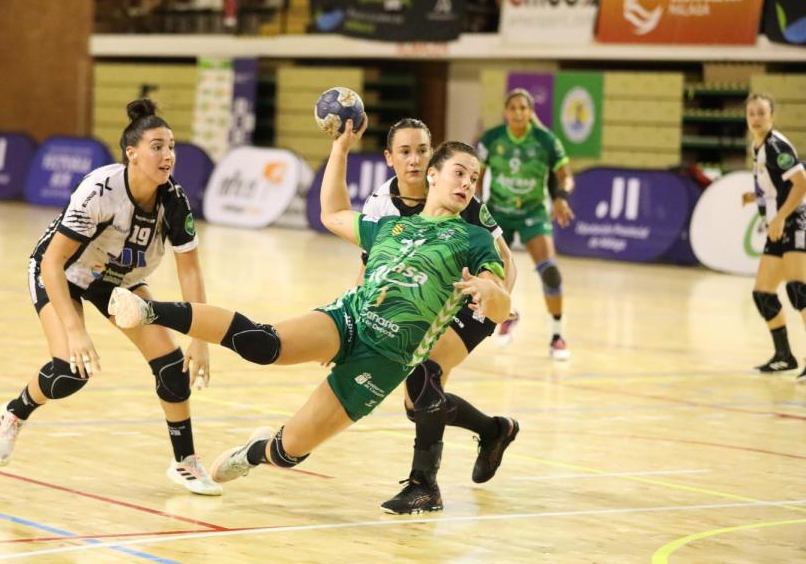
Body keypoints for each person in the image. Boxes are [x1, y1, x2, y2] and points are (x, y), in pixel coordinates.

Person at [109, 116, 513, 502]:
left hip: (387, 356)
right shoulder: (389, 220)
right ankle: (149, 311)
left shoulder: (474, 237)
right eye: (459, 172)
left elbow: (499, 298)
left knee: (290, 450)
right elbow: (333, 215)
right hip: (352, 317)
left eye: (474, 177)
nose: (467, 182)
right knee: (263, 344)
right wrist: (340, 148)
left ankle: (254, 452)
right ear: (432, 174)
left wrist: (490, 293)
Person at [0, 98, 223, 495]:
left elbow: (191, 271)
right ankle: (14, 412)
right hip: (63, 271)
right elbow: (52, 263)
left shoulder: (175, 201)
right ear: (132, 153)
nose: (168, 155)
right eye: (157, 146)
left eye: (171, 146)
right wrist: (75, 330)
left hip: (119, 279)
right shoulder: (100, 191)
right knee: (70, 370)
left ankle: (184, 462)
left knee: (172, 366)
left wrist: (200, 338)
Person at [361, 118, 520, 514]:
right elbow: (371, 268)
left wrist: (495, 300)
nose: (414, 160)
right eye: (405, 152)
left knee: (424, 370)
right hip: (425, 300)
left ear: (433, 163)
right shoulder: (380, 204)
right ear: (390, 158)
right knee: (417, 404)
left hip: (472, 299)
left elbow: (505, 259)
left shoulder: (461, 196)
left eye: (422, 151)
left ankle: (424, 486)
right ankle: (494, 430)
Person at [477, 88, 575, 359]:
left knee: (550, 271)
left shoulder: (546, 140)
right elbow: (476, 175)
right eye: (513, 108)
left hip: (533, 212)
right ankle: (508, 314)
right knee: (492, 271)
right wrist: (475, 207)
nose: (518, 113)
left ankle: (557, 336)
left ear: (531, 113)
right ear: (505, 112)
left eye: (524, 108)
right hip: (498, 213)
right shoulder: (492, 138)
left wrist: (561, 198)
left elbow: (566, 176)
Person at [741, 92, 806, 381]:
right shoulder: (758, 146)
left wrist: (780, 217)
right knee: (763, 294)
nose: (756, 118)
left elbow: (801, 183)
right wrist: (754, 197)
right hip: (778, 226)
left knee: (799, 289)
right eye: (751, 113)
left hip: (795, 222)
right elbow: (776, 186)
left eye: (761, 113)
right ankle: (783, 356)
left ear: (772, 116)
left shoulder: (776, 145)